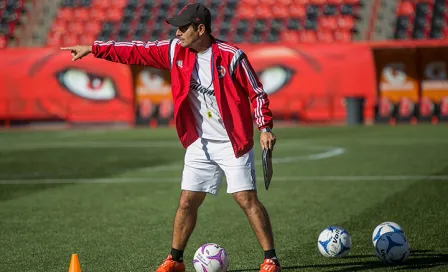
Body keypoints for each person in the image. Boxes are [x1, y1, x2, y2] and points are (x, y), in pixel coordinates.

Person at [61, 3, 280, 272]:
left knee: (246, 199)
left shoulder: (232, 56)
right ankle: (175, 260)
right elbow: (136, 51)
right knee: (187, 200)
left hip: (232, 142)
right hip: (199, 142)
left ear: (200, 29)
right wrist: (94, 49)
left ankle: (271, 259)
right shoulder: (175, 50)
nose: (177, 33)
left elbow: (257, 93)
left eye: (183, 28)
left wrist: (264, 127)